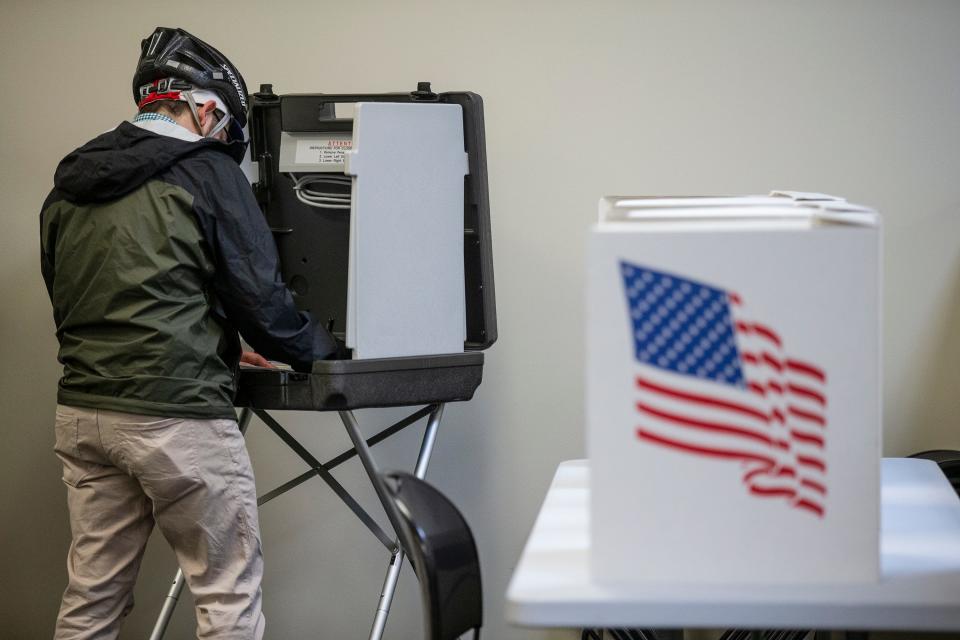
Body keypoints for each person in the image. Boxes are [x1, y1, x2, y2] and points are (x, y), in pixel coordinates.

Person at [39, 27, 337, 639]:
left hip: (85, 412)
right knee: (226, 593)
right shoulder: (206, 172)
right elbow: (262, 300)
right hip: (176, 418)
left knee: (92, 596)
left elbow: (79, 293)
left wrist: (222, 343)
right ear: (206, 109)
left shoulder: (69, 182)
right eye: (225, 131)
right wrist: (323, 350)